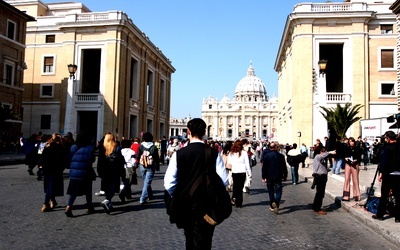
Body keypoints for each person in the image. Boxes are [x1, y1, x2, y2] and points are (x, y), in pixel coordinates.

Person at [164, 118, 228, 249]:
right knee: (205, 240)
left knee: (189, 238)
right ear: (205, 131)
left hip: (186, 204)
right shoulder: (213, 153)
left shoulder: (179, 154)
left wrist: (180, 194)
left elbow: (169, 183)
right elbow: (224, 180)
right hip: (207, 205)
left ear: (188, 131)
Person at [65, 131, 96, 217]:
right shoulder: (90, 147)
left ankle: (69, 206)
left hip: (74, 172)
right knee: (88, 190)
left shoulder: (74, 146)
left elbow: (70, 157)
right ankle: (89, 206)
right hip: (86, 171)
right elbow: (92, 159)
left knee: (73, 192)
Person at [372, 131, 400, 223]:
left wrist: (381, 173)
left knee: (384, 195)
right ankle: (398, 217)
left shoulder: (387, 148)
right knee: (398, 195)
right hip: (398, 174)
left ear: (388, 138)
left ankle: (380, 214)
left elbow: (383, 161)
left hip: (388, 174)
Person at [97, 132, 125, 214]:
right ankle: (107, 201)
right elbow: (120, 161)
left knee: (108, 187)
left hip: (105, 171)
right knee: (113, 188)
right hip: (114, 171)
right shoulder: (117, 147)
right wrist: (122, 171)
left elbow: (100, 161)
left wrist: (99, 171)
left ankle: (109, 204)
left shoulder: (102, 148)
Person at [39, 133, 66, 212]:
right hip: (56, 170)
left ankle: (53, 201)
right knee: (51, 187)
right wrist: (61, 169)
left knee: (50, 186)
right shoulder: (61, 148)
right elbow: (64, 161)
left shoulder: (47, 147)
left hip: (47, 170)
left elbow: (42, 159)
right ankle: (45, 203)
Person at [261, 142, 288, 214]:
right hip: (278, 176)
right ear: (276, 147)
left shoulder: (267, 156)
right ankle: (276, 203)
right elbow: (284, 167)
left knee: (271, 191)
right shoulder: (281, 156)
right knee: (279, 191)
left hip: (269, 176)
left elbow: (264, 168)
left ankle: (272, 205)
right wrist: (285, 175)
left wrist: (263, 176)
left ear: (270, 148)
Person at [226, 140, 252, 207]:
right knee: (240, 187)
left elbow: (229, 163)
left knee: (235, 186)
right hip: (242, 172)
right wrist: (249, 173)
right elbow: (247, 164)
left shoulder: (231, 153)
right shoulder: (244, 153)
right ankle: (239, 202)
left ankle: (234, 197)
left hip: (234, 171)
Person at [137, 132, 159, 205]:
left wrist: (137, 163)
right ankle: (142, 199)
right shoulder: (153, 147)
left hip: (142, 165)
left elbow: (138, 155)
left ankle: (150, 195)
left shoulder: (141, 146)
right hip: (150, 165)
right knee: (147, 182)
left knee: (146, 181)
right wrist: (157, 166)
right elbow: (156, 158)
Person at [312, 147, 336, 215]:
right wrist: (329, 152)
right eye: (323, 151)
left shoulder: (322, 158)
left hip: (323, 176)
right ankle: (317, 208)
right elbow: (323, 155)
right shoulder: (317, 157)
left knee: (320, 193)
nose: (324, 153)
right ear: (320, 152)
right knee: (320, 193)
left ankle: (315, 206)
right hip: (320, 177)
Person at [342, 137, 362, 202]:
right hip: (348, 164)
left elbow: (359, 157)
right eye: (350, 141)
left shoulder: (357, 148)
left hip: (355, 164)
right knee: (347, 179)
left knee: (355, 180)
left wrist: (355, 161)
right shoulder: (346, 148)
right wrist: (346, 159)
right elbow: (344, 156)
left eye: (352, 141)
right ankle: (346, 196)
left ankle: (357, 196)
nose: (351, 143)